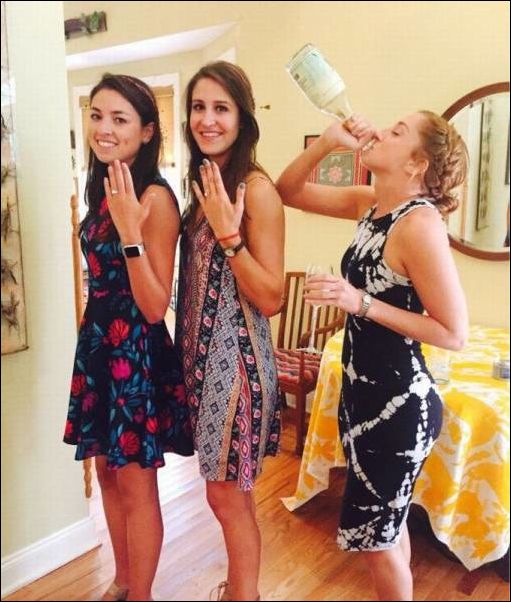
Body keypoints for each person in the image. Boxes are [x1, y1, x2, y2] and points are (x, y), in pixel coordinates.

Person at [276, 111, 469, 601]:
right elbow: (288, 190)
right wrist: (326, 143)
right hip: (364, 398)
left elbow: (453, 333)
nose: (381, 130)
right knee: (388, 531)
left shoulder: (419, 224)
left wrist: (358, 302)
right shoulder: (372, 205)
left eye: (398, 131)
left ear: (417, 164)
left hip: (397, 407)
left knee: (378, 544)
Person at [63, 73, 193, 602]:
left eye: (120, 119)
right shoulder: (102, 188)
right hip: (99, 345)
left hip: (134, 352)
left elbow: (155, 305)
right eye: (97, 115)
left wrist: (131, 233)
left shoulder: (155, 197)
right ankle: (123, 581)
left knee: (136, 482)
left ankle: (141, 595)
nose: (104, 128)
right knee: (106, 473)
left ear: (147, 131)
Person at [175, 61, 284, 602]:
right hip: (203, 367)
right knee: (225, 496)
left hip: (236, 368)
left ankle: (244, 595)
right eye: (199, 107)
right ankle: (239, 589)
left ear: (242, 118)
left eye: (221, 108)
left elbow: (272, 297)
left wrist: (229, 238)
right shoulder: (203, 183)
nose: (208, 119)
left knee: (227, 499)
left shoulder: (255, 189)